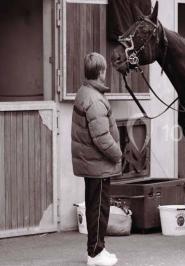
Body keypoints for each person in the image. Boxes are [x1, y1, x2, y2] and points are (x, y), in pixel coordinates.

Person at [71, 52, 122, 266]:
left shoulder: (86, 93)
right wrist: (118, 154)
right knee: (99, 209)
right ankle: (96, 253)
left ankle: (96, 249)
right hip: (98, 165)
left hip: (91, 163)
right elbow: (101, 138)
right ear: (101, 72)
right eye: (105, 69)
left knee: (95, 207)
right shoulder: (95, 100)